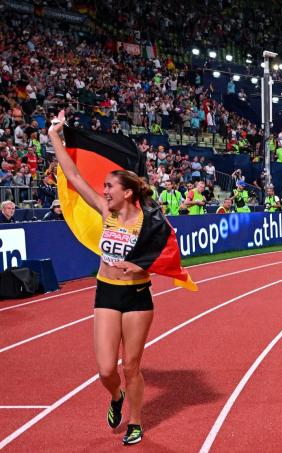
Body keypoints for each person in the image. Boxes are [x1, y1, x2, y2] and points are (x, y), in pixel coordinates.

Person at [49, 111, 156, 445]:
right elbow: (74, 176)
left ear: (127, 192)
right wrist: (56, 135)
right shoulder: (104, 209)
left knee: (132, 366)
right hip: (107, 293)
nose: (104, 189)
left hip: (137, 297)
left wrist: (137, 267)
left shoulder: (149, 220)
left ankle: (135, 421)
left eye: (110, 186)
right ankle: (115, 397)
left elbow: (160, 260)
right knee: (107, 370)